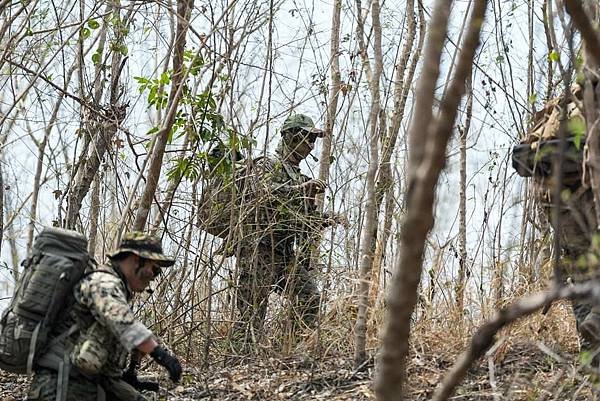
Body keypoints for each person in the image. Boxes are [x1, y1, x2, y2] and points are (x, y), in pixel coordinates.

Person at [26, 232, 182, 401]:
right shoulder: (104, 282)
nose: (153, 276)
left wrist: (126, 377)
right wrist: (161, 355)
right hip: (60, 385)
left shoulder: (116, 286)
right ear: (137, 259)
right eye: (154, 269)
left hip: (83, 382)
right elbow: (123, 322)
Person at [233, 113, 342, 344]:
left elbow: (303, 218)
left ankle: (288, 351)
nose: (311, 145)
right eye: (307, 139)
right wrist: (300, 189)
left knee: (309, 298)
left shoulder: (299, 175)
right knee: (251, 315)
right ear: (291, 137)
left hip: (284, 254)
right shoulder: (267, 163)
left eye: (314, 141)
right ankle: (237, 366)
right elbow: (261, 191)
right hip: (258, 250)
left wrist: (325, 219)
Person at [512, 85, 600, 362]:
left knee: (584, 274)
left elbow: (522, 158)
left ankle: (592, 353)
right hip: (586, 200)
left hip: (558, 206)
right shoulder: (580, 102)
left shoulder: (560, 104)